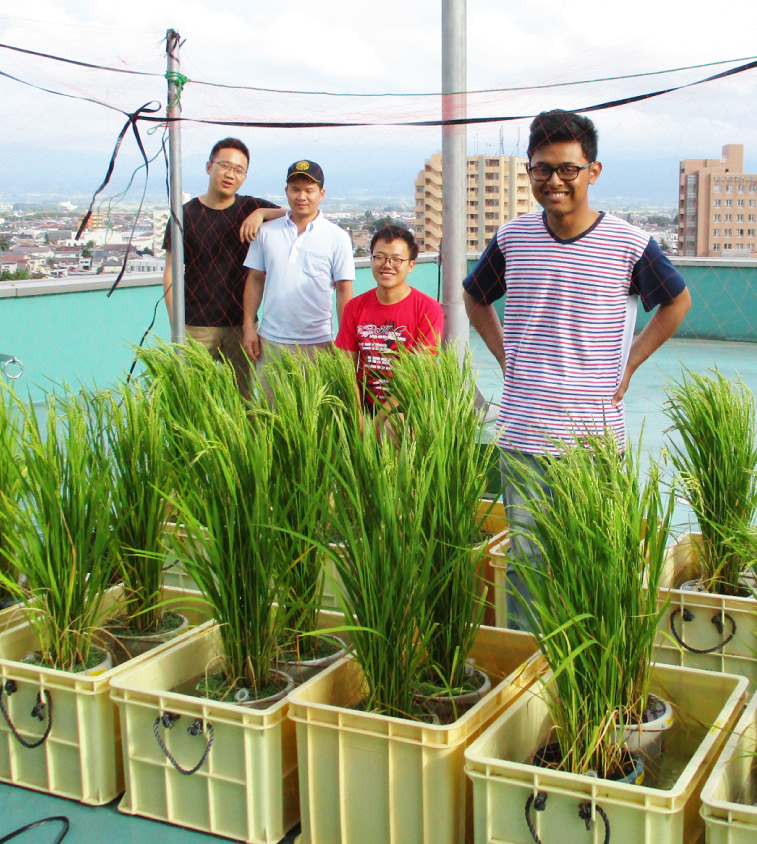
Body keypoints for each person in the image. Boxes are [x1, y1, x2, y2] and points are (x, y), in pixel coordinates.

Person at [463, 109, 692, 629]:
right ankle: (528, 670)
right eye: (543, 169)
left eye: (568, 168)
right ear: (530, 172)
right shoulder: (513, 239)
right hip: (522, 433)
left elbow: (676, 303)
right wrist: (507, 359)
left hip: (592, 434)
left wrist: (629, 363)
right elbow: (475, 299)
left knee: (590, 555)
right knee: (528, 560)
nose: (555, 181)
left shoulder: (630, 245)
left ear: (593, 170)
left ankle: (585, 668)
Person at [162, 138, 285, 394]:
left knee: (246, 401)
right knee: (192, 403)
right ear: (209, 167)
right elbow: (171, 272)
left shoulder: (250, 207)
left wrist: (261, 213)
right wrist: (177, 326)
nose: (231, 174)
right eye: (225, 166)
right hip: (195, 325)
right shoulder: (184, 215)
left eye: (239, 170)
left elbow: (296, 211)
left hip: (241, 326)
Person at [241, 159, 355, 373]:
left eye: (309, 190)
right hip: (270, 340)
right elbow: (255, 279)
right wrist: (248, 327)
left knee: (315, 407)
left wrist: (344, 339)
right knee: (270, 406)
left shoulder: (337, 237)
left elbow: (344, 290)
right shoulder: (266, 232)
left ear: (321, 194)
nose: (301, 196)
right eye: (295, 189)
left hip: (318, 342)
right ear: (286, 191)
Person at [335, 224, 442, 412]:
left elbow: (418, 375)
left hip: (406, 405)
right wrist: (358, 416)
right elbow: (345, 368)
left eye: (396, 259)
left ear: (411, 265)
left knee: (394, 426)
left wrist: (378, 421)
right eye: (380, 257)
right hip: (363, 404)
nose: (387, 265)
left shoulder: (428, 309)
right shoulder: (355, 307)